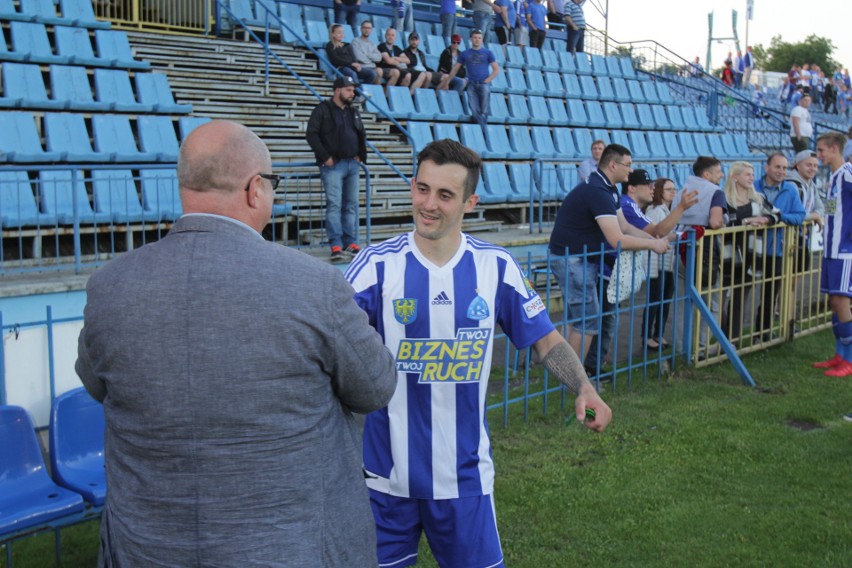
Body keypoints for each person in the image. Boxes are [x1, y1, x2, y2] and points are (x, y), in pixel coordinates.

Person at [75, 120, 398, 566]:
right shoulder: (314, 285)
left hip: (147, 548)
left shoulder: (109, 286)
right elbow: (376, 386)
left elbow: (95, 385)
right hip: (291, 548)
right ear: (254, 189)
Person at [345, 139, 612, 567]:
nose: (429, 204)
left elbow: (546, 340)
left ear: (471, 201)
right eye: (422, 188)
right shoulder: (375, 266)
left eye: (445, 195)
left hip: (464, 480)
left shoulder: (496, 267)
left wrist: (583, 386)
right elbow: (330, 336)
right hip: (384, 482)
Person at [549, 144, 669, 369]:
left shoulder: (608, 188)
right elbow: (617, 239)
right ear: (613, 164)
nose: (630, 171)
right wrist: (653, 243)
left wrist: (652, 237)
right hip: (573, 259)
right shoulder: (598, 190)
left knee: (580, 318)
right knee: (587, 320)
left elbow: (623, 225)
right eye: (628, 165)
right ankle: (571, 376)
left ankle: (561, 369)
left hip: (578, 258)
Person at [306, 75, 367, 261]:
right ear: (337, 90)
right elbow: (311, 134)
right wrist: (325, 157)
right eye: (348, 89)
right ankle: (336, 245)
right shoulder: (322, 109)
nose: (352, 93)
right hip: (333, 166)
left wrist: (361, 156)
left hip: (352, 165)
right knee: (334, 205)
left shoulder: (352, 111)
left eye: (353, 90)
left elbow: (361, 134)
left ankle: (351, 242)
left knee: (350, 205)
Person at [671, 156, 727, 357]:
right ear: (707, 174)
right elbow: (715, 221)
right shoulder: (716, 192)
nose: (722, 175)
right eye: (719, 171)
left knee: (680, 304)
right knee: (712, 302)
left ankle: (680, 350)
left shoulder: (680, 193)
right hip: (705, 254)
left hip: (681, 252)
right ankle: (701, 348)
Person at [720, 161, 777, 341]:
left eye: (752, 174)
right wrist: (745, 223)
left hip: (751, 256)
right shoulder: (723, 199)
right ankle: (721, 337)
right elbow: (720, 223)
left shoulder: (757, 199)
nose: (752, 178)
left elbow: (776, 214)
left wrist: (765, 219)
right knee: (719, 302)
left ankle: (733, 340)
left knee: (739, 300)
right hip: (728, 256)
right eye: (747, 174)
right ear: (735, 177)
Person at [753, 153, 806, 341]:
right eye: (777, 167)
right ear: (767, 167)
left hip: (776, 250)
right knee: (739, 292)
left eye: (784, 168)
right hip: (749, 248)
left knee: (769, 294)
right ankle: (730, 337)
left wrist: (776, 217)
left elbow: (800, 216)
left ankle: (763, 333)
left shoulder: (790, 190)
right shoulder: (753, 186)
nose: (781, 171)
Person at [813, 132, 852, 376]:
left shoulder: (848, 173)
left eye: (821, 150)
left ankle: (849, 360)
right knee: (833, 303)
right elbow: (832, 211)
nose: (819, 155)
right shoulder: (833, 178)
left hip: (844, 252)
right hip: (830, 249)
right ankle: (840, 355)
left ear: (834, 149)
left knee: (841, 302)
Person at [644, 178, 680, 349]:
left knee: (666, 297)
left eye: (674, 189)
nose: (673, 192)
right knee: (655, 298)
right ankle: (647, 335)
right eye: (669, 189)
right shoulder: (655, 210)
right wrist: (674, 236)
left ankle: (659, 333)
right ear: (660, 191)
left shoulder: (667, 209)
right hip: (656, 262)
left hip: (667, 261)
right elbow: (654, 234)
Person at [446, 29, 499, 129]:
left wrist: (487, 81)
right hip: (471, 84)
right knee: (474, 111)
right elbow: (455, 69)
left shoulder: (488, 53)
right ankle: (483, 130)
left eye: (479, 38)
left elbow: (496, 70)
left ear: (482, 40)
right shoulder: (464, 54)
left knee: (484, 111)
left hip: (484, 84)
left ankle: (482, 132)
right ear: (471, 39)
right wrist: (447, 81)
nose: (477, 40)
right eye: (475, 37)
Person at [351, 20, 398, 86]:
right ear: (361, 29)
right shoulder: (355, 41)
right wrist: (371, 60)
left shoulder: (372, 44)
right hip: (362, 67)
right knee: (378, 71)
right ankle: (372, 91)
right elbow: (359, 57)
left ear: (371, 30)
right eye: (365, 28)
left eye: (369, 28)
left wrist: (366, 54)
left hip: (372, 67)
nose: (367, 30)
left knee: (395, 72)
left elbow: (379, 58)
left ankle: (384, 94)